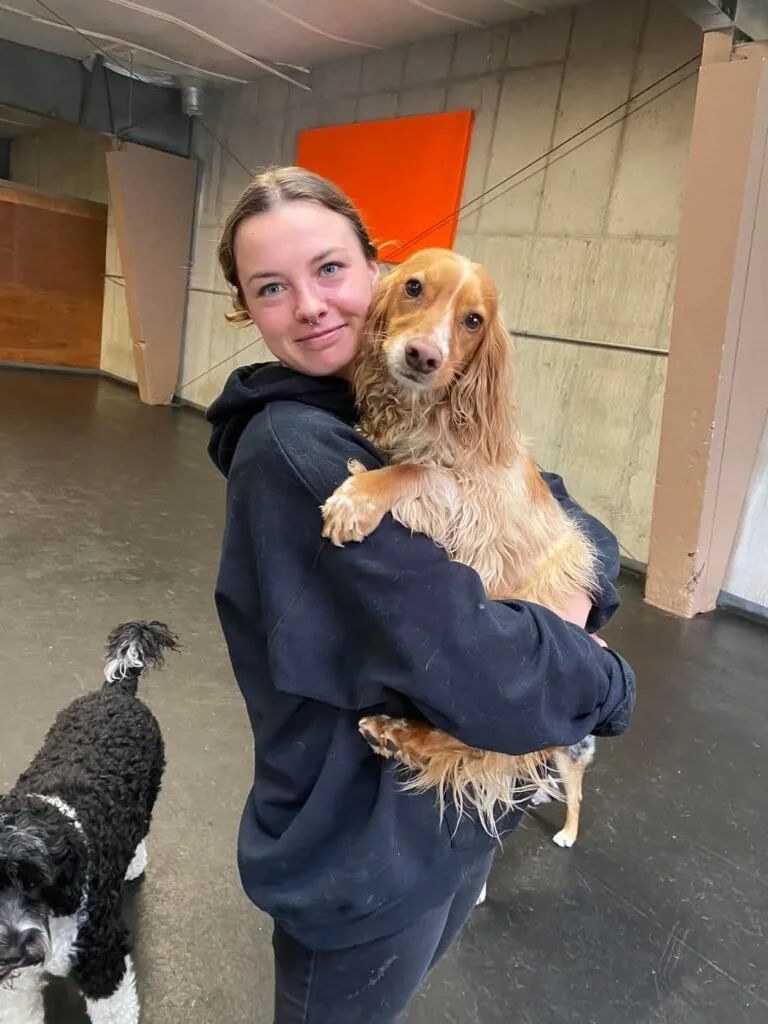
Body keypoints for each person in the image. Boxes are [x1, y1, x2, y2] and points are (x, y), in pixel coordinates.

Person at [206, 166, 635, 1023]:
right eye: (272, 288)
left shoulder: (390, 406)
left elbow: (553, 504)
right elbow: (484, 673)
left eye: (330, 269)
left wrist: (576, 592)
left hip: (447, 831)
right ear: (246, 309)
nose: (311, 306)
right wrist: (605, 678)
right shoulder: (300, 452)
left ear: (374, 270)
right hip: (368, 848)